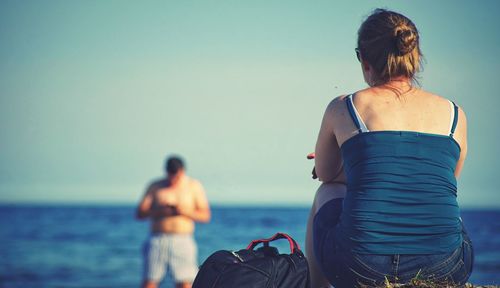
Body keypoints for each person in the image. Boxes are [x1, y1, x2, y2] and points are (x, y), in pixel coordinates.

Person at [305, 9, 474, 288]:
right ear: (415, 58)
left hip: (361, 265)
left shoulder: (345, 107)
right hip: (444, 265)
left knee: (326, 192)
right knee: (446, 203)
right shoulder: (455, 114)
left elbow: (325, 175)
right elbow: (442, 179)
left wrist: (350, 163)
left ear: (364, 60)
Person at [136, 156, 211, 288]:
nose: (173, 179)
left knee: (185, 282)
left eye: (176, 175)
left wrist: (184, 212)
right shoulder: (155, 186)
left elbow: (205, 216)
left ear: (182, 171)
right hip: (157, 239)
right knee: (150, 280)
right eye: (170, 175)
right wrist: (160, 211)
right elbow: (140, 213)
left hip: (182, 239)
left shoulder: (193, 186)